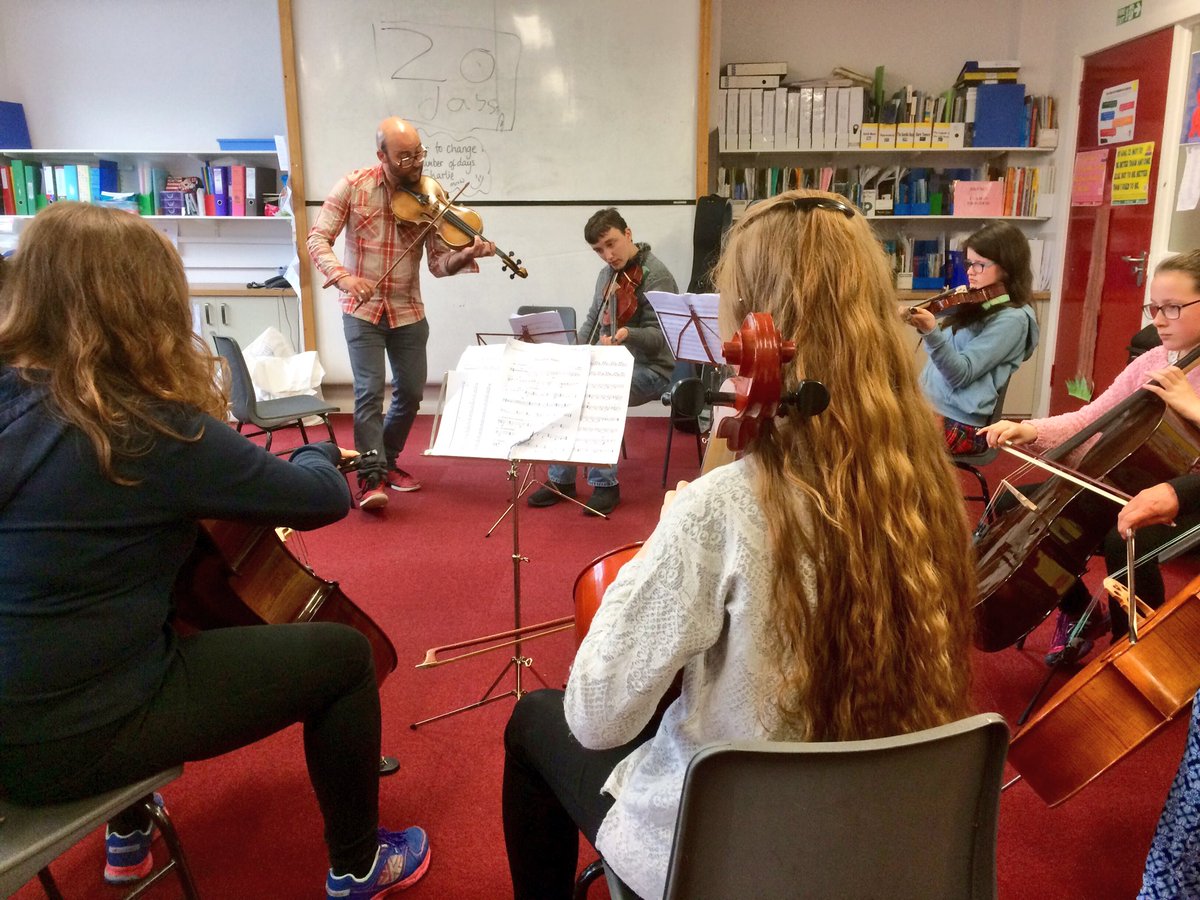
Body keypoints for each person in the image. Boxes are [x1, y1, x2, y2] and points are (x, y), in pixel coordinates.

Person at [502, 190, 977, 900]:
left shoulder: (718, 509)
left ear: (752, 322)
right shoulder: (928, 488)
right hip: (877, 842)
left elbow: (597, 718)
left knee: (534, 722)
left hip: (731, 858)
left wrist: (670, 531)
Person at [0, 203, 429, 899]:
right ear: (148, 304)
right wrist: (319, 453)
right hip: (75, 740)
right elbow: (319, 500)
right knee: (344, 657)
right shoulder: (146, 426)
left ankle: (127, 831)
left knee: (129, 604)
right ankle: (358, 865)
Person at [984, 250, 1200, 665]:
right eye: (1154, 307)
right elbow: (1093, 420)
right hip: (1132, 482)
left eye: (1173, 308)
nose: (1158, 320)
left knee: (1125, 538)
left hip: (1190, 501)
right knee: (1016, 503)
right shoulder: (1153, 360)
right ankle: (1078, 610)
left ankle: (1136, 653)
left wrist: (1193, 408)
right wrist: (1031, 430)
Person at [308, 116, 495, 511]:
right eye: (404, 157)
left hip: (408, 310)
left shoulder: (431, 194)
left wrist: (465, 255)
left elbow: (439, 265)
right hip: (362, 309)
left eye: (419, 153)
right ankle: (370, 474)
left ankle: (387, 459)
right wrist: (344, 278)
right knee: (369, 390)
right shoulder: (353, 186)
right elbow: (318, 238)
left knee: (411, 391)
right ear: (383, 156)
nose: (416, 163)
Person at [526, 208, 678, 516]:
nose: (608, 255)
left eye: (611, 244)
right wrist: (573, 354)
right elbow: (592, 320)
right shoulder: (607, 274)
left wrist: (628, 334)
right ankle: (561, 480)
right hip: (610, 364)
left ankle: (605, 485)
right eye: (599, 250)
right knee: (568, 384)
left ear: (628, 234)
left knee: (597, 392)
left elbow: (661, 339)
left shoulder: (656, 275)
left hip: (651, 369)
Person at [903, 220, 1039, 455]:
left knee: (878, 444)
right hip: (931, 407)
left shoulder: (1013, 320)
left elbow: (960, 374)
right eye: (969, 262)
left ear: (1007, 267)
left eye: (979, 264)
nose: (970, 271)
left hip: (959, 424)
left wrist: (931, 332)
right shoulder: (983, 302)